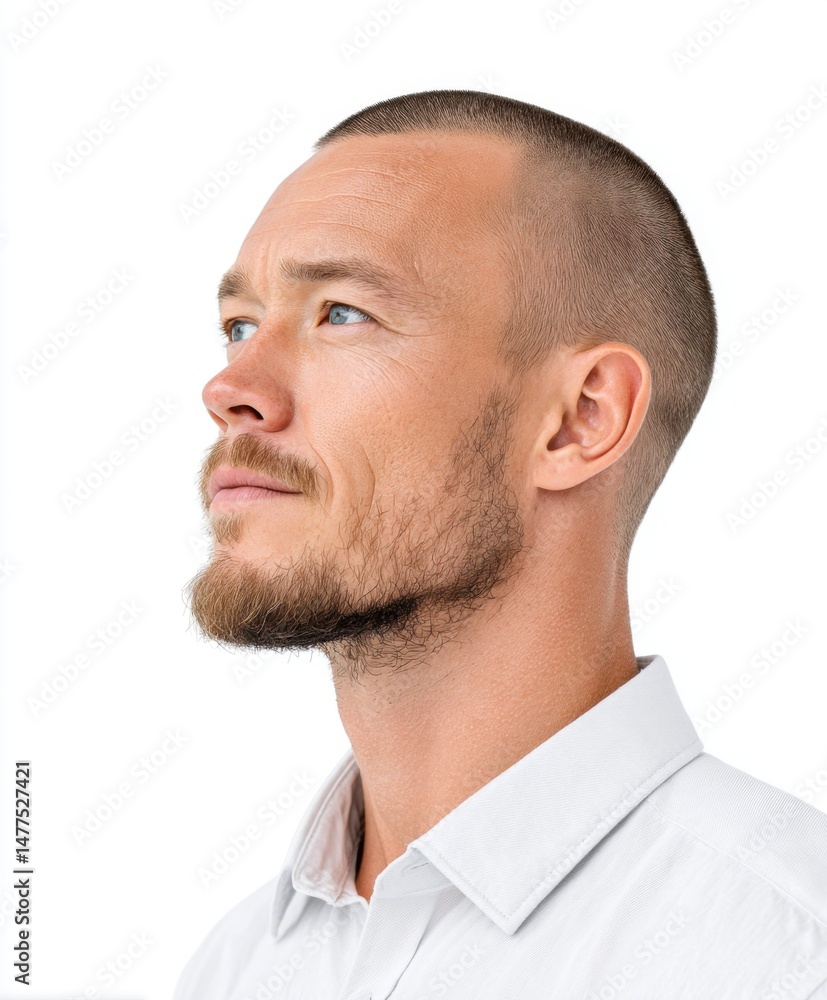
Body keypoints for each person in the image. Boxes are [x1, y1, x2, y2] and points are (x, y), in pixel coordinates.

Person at [175, 90, 827, 999]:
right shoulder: (235, 968)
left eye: (341, 313)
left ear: (577, 421)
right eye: (240, 325)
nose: (230, 386)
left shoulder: (783, 955)